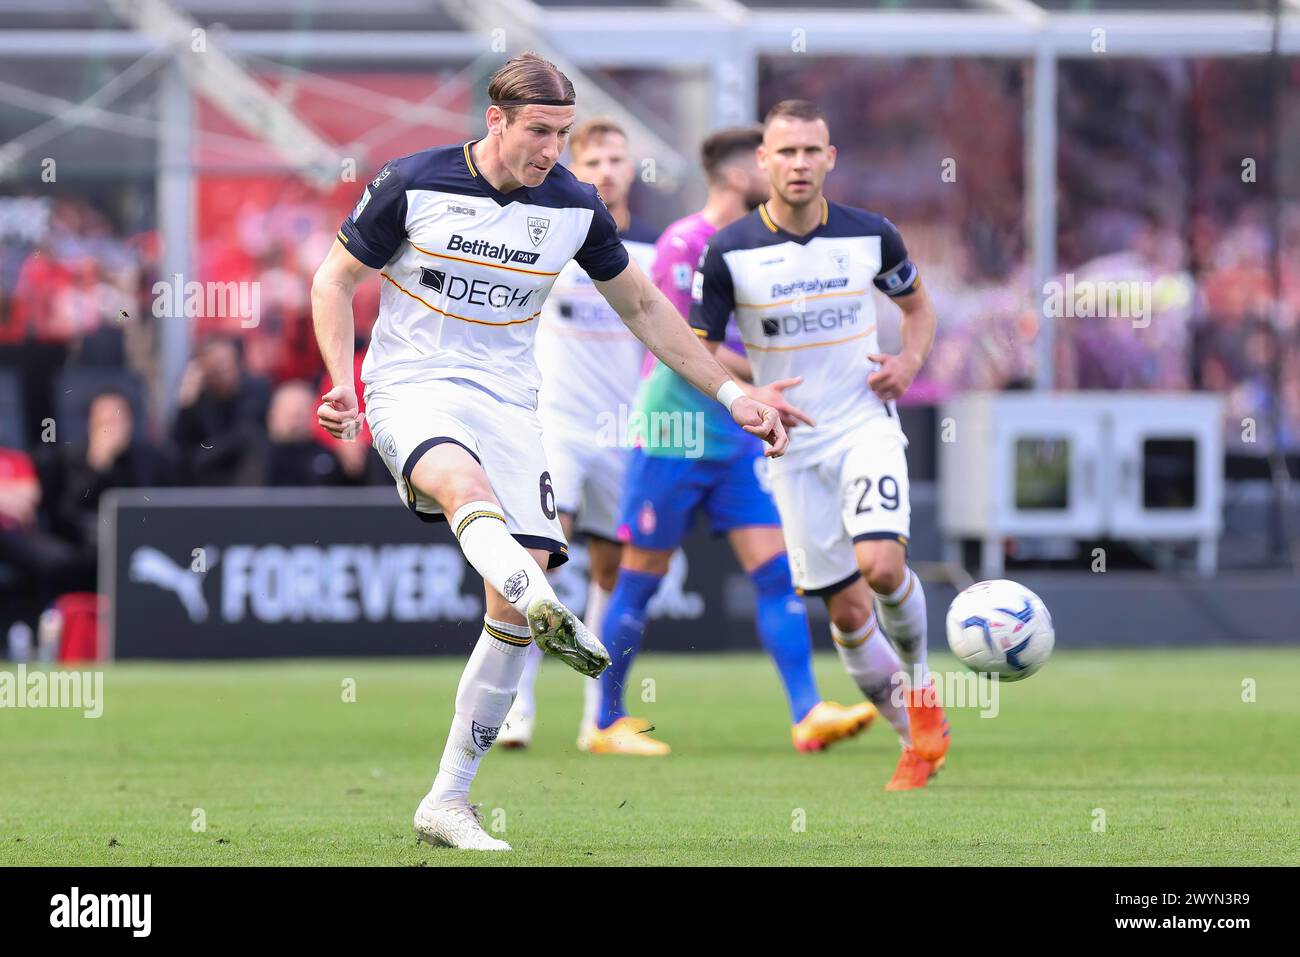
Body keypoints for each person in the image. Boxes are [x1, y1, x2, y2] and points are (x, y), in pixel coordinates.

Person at [312, 52, 788, 851]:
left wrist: (734, 394)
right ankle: (535, 591)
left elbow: (644, 306)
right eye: (539, 131)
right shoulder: (413, 181)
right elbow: (334, 282)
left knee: (512, 608)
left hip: (508, 401)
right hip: (410, 386)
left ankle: (447, 800)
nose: (551, 150)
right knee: (465, 489)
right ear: (495, 120)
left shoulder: (574, 204)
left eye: (563, 133)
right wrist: (340, 384)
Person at [587, 125, 877, 757]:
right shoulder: (685, 243)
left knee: (777, 575)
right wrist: (759, 385)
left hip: (737, 436)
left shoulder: (758, 245)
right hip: (672, 432)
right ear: (743, 174)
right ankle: (606, 722)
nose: (785, 171)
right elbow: (683, 343)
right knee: (639, 579)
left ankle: (807, 713)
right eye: (770, 162)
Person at [690, 99, 950, 791]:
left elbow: (919, 309)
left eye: (813, 151)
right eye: (787, 152)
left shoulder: (872, 236)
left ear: (830, 158)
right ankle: (913, 742)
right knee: (842, 610)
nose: (800, 163)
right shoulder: (730, 251)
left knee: (884, 566)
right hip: (792, 451)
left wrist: (909, 362)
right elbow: (695, 352)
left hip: (865, 426)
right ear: (763, 163)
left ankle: (922, 691)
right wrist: (749, 395)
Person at [496, 117, 658, 749]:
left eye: (619, 159)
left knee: (615, 573)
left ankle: (601, 717)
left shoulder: (649, 247)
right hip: (555, 426)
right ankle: (517, 708)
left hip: (626, 430)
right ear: (574, 165)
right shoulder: (546, 231)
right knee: (540, 564)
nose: (608, 171)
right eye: (596, 160)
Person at [171, 336, 271, 486]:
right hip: (204, 480)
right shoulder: (197, 397)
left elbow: (244, 435)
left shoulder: (255, 388)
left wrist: (202, 456)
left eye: (228, 362)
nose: (224, 369)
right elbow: (176, 446)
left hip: (243, 476)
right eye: (216, 364)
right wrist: (186, 403)